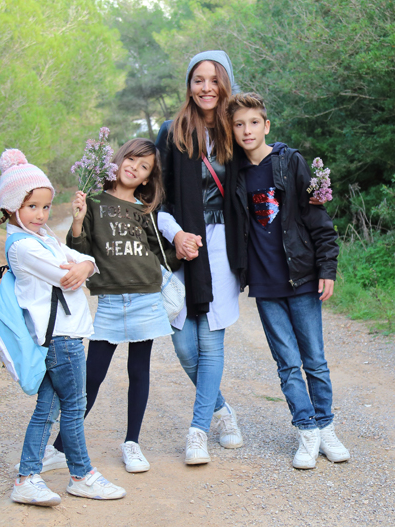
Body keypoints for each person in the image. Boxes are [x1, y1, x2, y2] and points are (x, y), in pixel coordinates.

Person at [0, 148, 126, 505]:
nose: (41, 214)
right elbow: (66, 275)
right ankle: (82, 476)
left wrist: (86, 264)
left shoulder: (44, 238)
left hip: (60, 336)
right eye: (32, 206)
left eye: (46, 206)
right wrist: (82, 267)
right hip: (60, 339)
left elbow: (81, 259)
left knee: (48, 409)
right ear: (11, 207)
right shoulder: (23, 246)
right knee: (75, 406)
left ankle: (26, 479)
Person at [228, 92, 350, 469]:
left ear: (266, 125)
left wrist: (327, 268)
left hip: (302, 278)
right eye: (238, 124)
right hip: (265, 284)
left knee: (315, 360)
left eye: (253, 122)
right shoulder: (233, 173)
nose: (247, 130)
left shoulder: (290, 161)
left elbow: (318, 218)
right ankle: (306, 430)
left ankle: (326, 427)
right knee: (287, 363)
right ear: (231, 130)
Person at [42, 138, 177, 475]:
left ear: (147, 178)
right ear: (118, 160)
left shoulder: (144, 210)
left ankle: (132, 443)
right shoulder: (94, 202)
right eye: (131, 159)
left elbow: (158, 254)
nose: (134, 168)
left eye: (144, 167)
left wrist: (184, 249)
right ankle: (59, 448)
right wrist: (77, 220)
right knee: (93, 374)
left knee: (139, 370)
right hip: (111, 301)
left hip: (145, 297)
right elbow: (80, 250)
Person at [155, 50, 246, 464]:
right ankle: (222, 410)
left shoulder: (236, 129)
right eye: (198, 80)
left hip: (223, 244)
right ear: (189, 86)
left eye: (214, 80)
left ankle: (198, 431)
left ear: (225, 84)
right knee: (184, 346)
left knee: (210, 341)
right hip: (181, 241)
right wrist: (175, 235)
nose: (206, 88)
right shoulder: (171, 131)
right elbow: (155, 197)